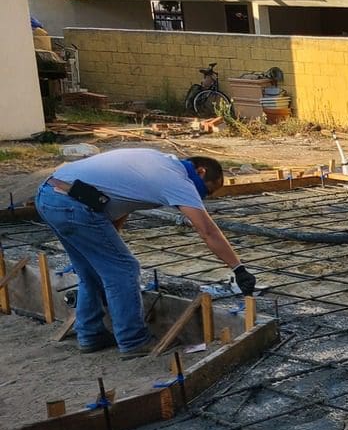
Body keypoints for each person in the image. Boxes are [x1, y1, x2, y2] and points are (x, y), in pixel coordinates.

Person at [35, 148, 255, 357]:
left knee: (91, 271)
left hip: (50, 196)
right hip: (73, 204)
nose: (204, 197)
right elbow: (207, 231)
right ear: (200, 171)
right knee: (124, 269)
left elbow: (120, 204)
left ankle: (91, 335)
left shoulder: (158, 163)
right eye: (207, 190)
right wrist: (238, 268)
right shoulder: (177, 180)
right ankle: (134, 341)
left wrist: (108, 245)